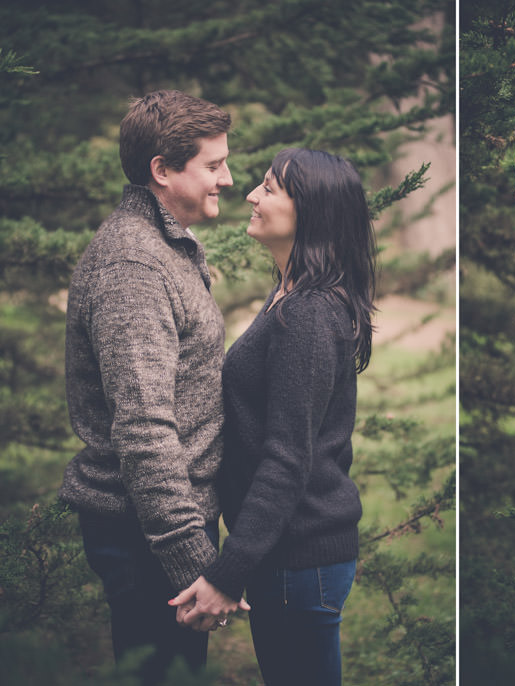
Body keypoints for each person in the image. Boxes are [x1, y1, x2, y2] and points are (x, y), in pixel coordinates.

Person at [168, 148, 376, 686]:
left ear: (310, 211)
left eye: (269, 188)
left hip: (298, 557)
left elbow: (287, 458)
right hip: (290, 554)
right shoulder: (291, 294)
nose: (252, 196)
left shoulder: (306, 312)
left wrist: (226, 573)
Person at [59, 90, 245, 684]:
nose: (229, 178)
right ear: (161, 171)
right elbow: (143, 427)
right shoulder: (132, 267)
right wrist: (192, 557)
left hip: (164, 522)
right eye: (213, 166)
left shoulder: (166, 246)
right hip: (147, 532)